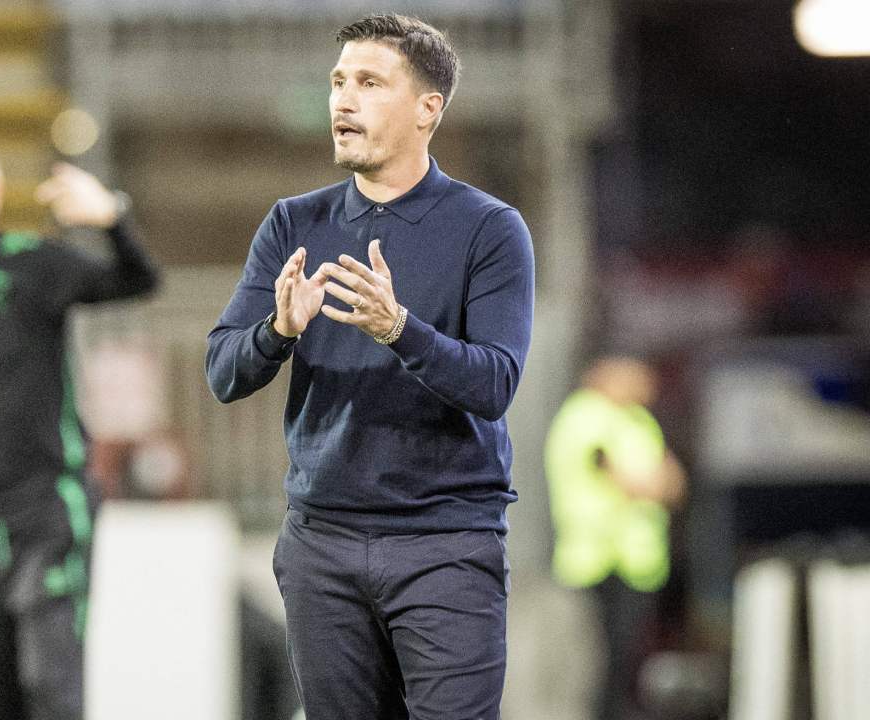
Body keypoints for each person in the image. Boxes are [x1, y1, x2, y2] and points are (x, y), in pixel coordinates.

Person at [206, 13, 535, 719]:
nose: (343, 100)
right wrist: (277, 331)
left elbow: (494, 383)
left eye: (369, 83)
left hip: (446, 547)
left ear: (427, 110)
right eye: (338, 82)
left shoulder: (489, 229)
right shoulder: (293, 223)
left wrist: (399, 330)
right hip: (321, 548)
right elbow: (222, 372)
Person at [0, 131, 160, 720]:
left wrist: (111, 217)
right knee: (1, 702)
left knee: (51, 692)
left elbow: (139, 281)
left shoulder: (33, 263)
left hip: (50, 514)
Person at [544, 356, 685, 720]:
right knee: (602, 661)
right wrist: (652, 484)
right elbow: (617, 473)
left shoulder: (638, 420)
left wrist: (656, 484)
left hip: (635, 562)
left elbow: (673, 482)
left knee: (629, 660)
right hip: (595, 561)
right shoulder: (585, 415)